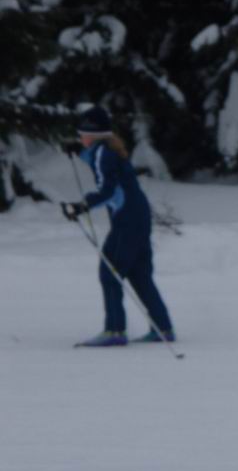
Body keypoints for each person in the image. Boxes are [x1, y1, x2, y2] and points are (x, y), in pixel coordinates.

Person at [61, 105, 175, 347]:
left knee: (110, 271)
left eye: (81, 135)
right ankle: (163, 328)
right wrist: (78, 151)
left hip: (127, 220)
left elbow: (108, 190)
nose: (80, 138)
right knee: (139, 275)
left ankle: (114, 331)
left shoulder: (103, 154)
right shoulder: (107, 150)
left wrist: (81, 206)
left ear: (91, 134)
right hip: (138, 216)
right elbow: (106, 171)